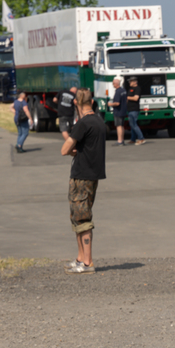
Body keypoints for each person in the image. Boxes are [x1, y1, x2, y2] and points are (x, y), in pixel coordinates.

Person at [60, 87, 106, 275]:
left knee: (83, 218)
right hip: (94, 175)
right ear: (92, 101)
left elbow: (64, 149)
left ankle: (87, 262)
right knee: (78, 217)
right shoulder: (99, 121)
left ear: (77, 103)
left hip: (81, 175)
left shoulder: (83, 124)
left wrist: (73, 151)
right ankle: (80, 258)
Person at [108, 77, 127, 146]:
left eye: (113, 83)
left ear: (115, 84)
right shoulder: (123, 90)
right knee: (122, 126)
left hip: (118, 111)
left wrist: (110, 104)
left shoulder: (118, 91)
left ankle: (119, 141)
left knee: (118, 126)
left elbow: (117, 103)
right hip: (123, 110)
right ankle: (122, 140)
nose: (113, 85)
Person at [126, 77, 145, 145]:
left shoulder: (137, 88)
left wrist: (127, 97)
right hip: (129, 109)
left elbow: (136, 98)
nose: (129, 83)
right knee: (132, 125)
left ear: (135, 82)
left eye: (130, 81)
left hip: (134, 109)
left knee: (134, 124)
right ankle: (133, 139)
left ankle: (141, 138)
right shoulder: (130, 89)